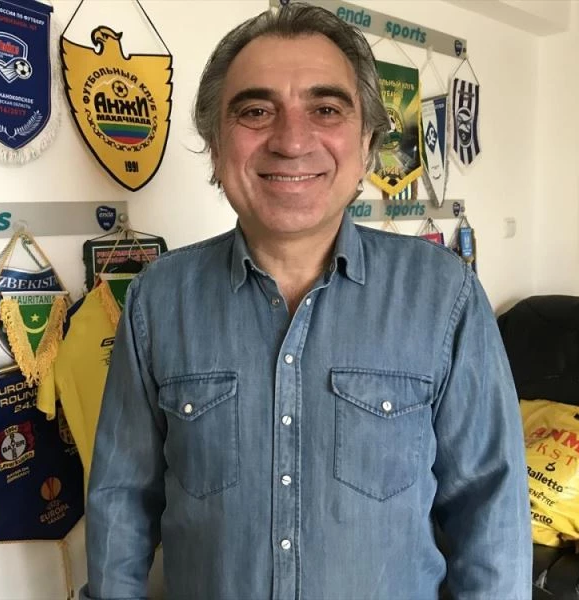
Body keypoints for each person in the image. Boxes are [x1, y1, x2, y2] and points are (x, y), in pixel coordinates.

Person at [82, 4, 532, 599]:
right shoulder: (156, 301)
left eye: (325, 109)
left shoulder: (445, 296)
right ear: (215, 146)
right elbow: (121, 504)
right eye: (255, 111)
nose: (292, 140)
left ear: (366, 142)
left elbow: (491, 513)